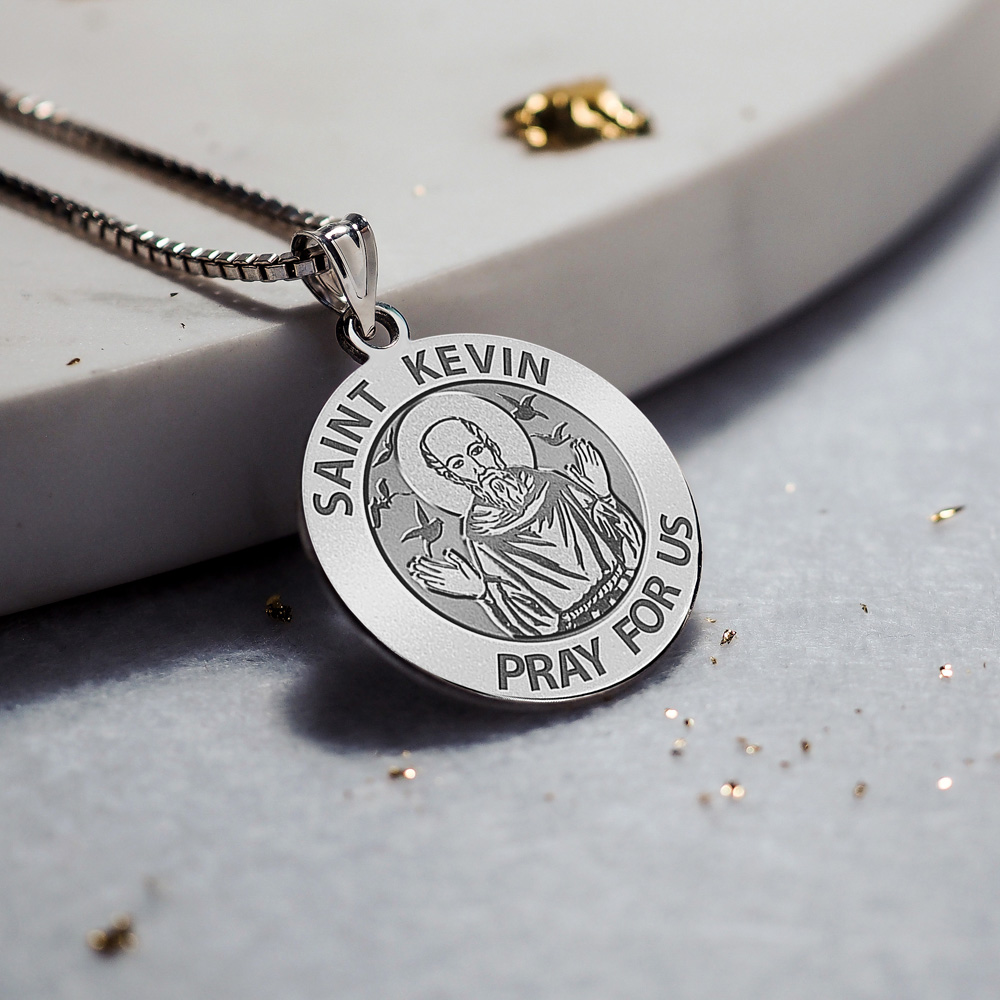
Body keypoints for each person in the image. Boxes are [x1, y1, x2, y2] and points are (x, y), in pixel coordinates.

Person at [406, 416, 643, 637]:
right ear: (453, 477)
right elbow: (525, 611)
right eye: (459, 464)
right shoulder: (480, 533)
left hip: (628, 586)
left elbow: (629, 546)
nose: (478, 467)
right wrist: (482, 592)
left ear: (491, 447)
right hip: (580, 626)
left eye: (476, 450)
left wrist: (603, 496)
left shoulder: (550, 483)